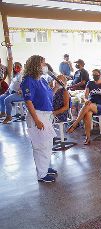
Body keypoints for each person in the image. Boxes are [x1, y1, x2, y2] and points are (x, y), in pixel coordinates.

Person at [21, 55, 57, 183]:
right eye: (43, 63)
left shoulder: (41, 79)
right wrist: (36, 120)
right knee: (40, 145)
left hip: (46, 114)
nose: (45, 66)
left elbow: (48, 95)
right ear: (36, 65)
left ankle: (46, 167)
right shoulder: (28, 80)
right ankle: (42, 174)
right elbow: (28, 101)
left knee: (47, 143)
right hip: (37, 114)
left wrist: (57, 87)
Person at [67, 69, 101, 145]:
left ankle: (75, 124)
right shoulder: (90, 83)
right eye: (93, 75)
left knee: (88, 106)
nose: (94, 76)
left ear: (100, 75)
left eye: (96, 75)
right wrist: (86, 100)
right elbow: (85, 96)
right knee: (87, 113)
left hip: (100, 107)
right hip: (90, 105)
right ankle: (88, 138)